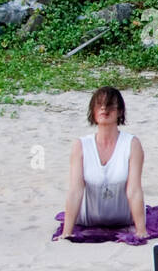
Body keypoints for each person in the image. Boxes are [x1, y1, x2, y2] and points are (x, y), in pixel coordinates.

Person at [60, 86, 148, 239]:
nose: (104, 109)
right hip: (88, 219)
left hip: (123, 218)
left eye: (109, 105)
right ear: (92, 112)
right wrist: (66, 232)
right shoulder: (81, 145)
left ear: (120, 111)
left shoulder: (132, 144)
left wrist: (141, 230)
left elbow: (134, 190)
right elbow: (75, 190)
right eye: (99, 104)